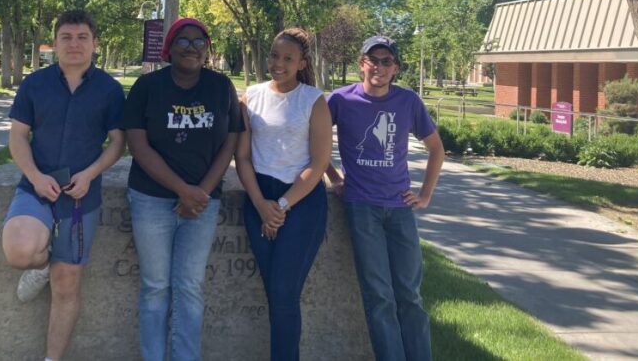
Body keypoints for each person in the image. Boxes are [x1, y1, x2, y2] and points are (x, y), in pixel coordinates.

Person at [1, 9, 126, 361]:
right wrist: (36, 177)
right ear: (54, 44)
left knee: (67, 285)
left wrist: (90, 174)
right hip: (37, 187)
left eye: (82, 37)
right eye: (66, 37)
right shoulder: (34, 84)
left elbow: (118, 142)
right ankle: (41, 266)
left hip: (80, 195)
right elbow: (18, 137)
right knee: (21, 252)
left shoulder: (110, 90)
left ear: (94, 44)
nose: (74, 44)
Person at [122, 18, 243, 361]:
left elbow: (231, 141)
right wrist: (182, 190)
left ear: (207, 50)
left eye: (199, 42)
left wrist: (200, 192)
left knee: (190, 287)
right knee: (155, 287)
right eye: (184, 41)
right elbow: (137, 144)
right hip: (150, 199)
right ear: (169, 48)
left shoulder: (221, 87)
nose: (192, 48)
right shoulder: (147, 87)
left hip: (204, 203)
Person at [326, 36, 444, 361]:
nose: (379, 66)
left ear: (396, 68)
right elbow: (316, 142)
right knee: (379, 295)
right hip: (362, 207)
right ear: (361, 63)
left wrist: (425, 194)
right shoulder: (340, 100)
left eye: (386, 61)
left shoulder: (408, 101)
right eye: (373, 59)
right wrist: (334, 178)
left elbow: (436, 148)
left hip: (400, 208)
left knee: (409, 294)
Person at [235, 28, 332, 361]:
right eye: (275, 55)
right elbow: (242, 156)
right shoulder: (252, 95)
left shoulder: (313, 100)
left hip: (301, 202)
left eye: (288, 58)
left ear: (301, 62)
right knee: (273, 291)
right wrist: (262, 205)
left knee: (284, 292)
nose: (278, 63)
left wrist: (282, 205)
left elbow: (319, 163)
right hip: (258, 197)